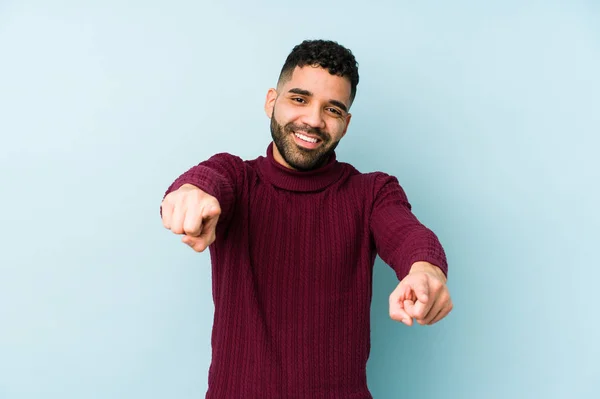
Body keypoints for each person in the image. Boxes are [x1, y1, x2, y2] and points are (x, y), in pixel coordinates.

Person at [160, 39, 453, 399]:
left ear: (345, 125)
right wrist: (190, 193)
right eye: (299, 99)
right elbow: (207, 180)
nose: (313, 120)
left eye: (332, 109)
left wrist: (427, 271)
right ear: (272, 101)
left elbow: (407, 234)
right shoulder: (237, 177)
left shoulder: (372, 191)